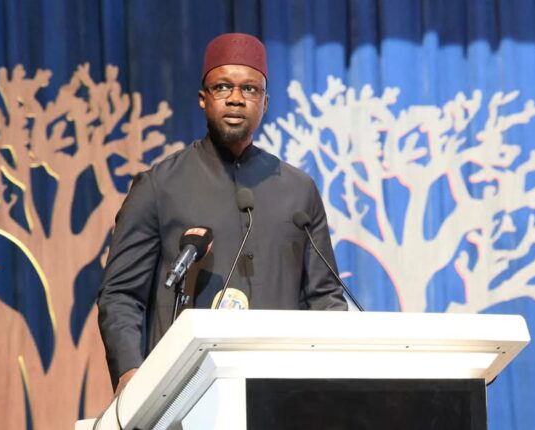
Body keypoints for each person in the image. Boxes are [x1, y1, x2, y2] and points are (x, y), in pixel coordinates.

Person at [97, 33, 348, 395]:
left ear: (265, 103)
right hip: (184, 393)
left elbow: (325, 298)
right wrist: (130, 371)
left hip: (283, 391)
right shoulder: (159, 186)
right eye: (223, 87)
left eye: (250, 89)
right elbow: (121, 294)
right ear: (203, 99)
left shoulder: (298, 190)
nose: (236, 98)